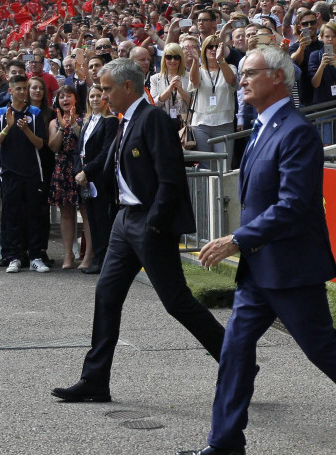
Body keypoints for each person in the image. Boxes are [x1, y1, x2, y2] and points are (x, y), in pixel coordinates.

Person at [175, 47, 336, 455]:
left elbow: (294, 205)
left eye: (249, 72)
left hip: (291, 266)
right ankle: (226, 440)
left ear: (278, 78)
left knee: (323, 349)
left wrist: (237, 240)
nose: (241, 79)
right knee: (235, 349)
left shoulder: (296, 130)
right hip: (259, 270)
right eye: (241, 74)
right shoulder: (263, 126)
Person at [51, 58, 226, 403]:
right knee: (106, 295)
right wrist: (87, 171)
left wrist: (156, 224)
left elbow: (170, 180)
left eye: (107, 88)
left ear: (128, 87)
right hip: (124, 221)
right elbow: (114, 158)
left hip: (149, 222)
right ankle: (95, 380)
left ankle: (238, 362)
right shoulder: (126, 120)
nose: (101, 94)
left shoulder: (154, 119)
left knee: (176, 302)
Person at [0, 74, 50, 274]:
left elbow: (40, 144)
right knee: (12, 215)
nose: (23, 92)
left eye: (25, 88)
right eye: (19, 89)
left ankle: (35, 256)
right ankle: (13, 256)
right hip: (9, 172)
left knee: (34, 214)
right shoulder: (0, 113)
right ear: (10, 91)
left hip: (32, 172)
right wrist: (8, 127)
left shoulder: (34, 112)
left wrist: (26, 131)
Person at [74, 84, 118, 274]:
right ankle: (98, 259)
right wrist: (79, 171)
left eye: (98, 96)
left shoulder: (110, 121)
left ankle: (105, 261)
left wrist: (87, 171)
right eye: (91, 96)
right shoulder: (87, 121)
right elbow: (79, 150)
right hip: (85, 177)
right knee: (92, 220)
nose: (95, 99)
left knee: (102, 220)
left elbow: (106, 151)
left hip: (100, 177)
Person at [48, 85, 87, 270]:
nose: (65, 100)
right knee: (66, 213)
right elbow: (53, 147)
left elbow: (85, 142)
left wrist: (74, 125)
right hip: (62, 167)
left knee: (86, 212)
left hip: (80, 167)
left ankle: (88, 254)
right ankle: (67, 254)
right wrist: (62, 128)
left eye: (68, 96)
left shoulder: (85, 119)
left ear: (75, 99)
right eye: (61, 97)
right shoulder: (54, 122)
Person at [188, 34, 237, 168]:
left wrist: (221, 60)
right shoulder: (199, 70)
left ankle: (221, 190)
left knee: (224, 166)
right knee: (205, 166)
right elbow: (194, 82)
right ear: (204, 50)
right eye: (210, 46)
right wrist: (195, 60)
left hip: (224, 123)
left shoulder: (230, 67)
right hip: (201, 124)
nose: (213, 49)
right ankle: (206, 190)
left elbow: (232, 81)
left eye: (217, 46)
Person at [27, 76, 55, 267]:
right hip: (25, 162)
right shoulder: (21, 112)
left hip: (45, 162)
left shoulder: (50, 113)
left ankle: (41, 249)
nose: (37, 91)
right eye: (33, 88)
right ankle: (24, 249)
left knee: (42, 209)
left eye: (41, 88)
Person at [149, 43, 190, 131]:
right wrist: (169, 88)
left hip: (184, 123)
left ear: (181, 59)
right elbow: (154, 104)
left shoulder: (189, 77)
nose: (172, 60)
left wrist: (181, 90)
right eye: (169, 57)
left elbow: (193, 104)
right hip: (163, 123)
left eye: (176, 57)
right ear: (164, 59)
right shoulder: (155, 79)